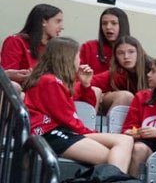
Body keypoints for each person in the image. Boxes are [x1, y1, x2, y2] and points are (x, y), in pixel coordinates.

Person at [23, 37, 136, 172]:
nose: (80, 61)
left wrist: (85, 85)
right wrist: (90, 133)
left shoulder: (57, 81)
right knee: (113, 155)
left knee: (124, 143)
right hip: (50, 134)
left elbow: (87, 106)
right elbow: (68, 119)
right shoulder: (50, 82)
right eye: (78, 56)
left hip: (63, 131)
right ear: (66, 58)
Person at [4, 4, 64, 82]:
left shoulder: (56, 47)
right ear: (43, 21)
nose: (62, 27)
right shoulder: (16, 41)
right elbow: (7, 77)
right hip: (21, 89)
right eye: (58, 21)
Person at [93, 35, 151, 114]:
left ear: (139, 52)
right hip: (120, 109)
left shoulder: (153, 70)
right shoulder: (116, 73)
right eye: (120, 53)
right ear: (116, 56)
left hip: (151, 116)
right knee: (125, 96)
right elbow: (86, 83)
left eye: (131, 52)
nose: (126, 57)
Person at [80, 7, 129, 75]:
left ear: (123, 25)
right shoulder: (88, 47)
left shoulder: (133, 50)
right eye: (104, 23)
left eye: (114, 23)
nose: (108, 27)